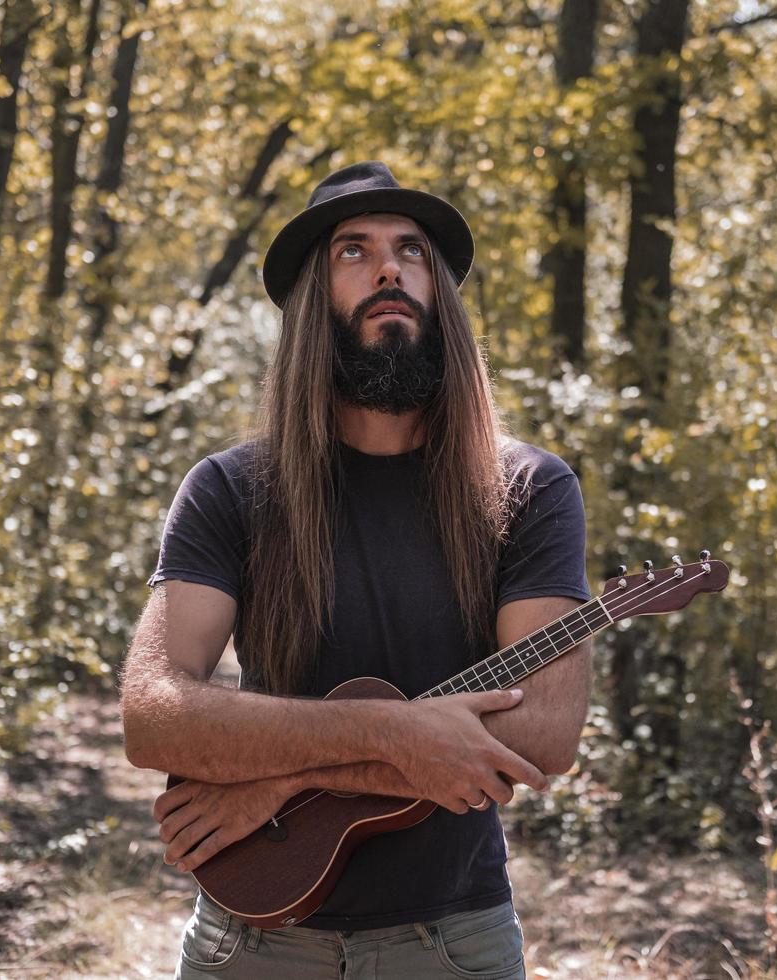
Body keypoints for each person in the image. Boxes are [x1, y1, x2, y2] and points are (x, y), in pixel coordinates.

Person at [120, 161, 593, 979]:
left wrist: (278, 783)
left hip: (454, 941)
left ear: (438, 292)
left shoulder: (528, 490)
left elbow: (544, 731)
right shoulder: (231, 489)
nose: (388, 269)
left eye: (412, 251)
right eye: (354, 251)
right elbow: (154, 713)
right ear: (312, 299)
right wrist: (393, 733)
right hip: (253, 939)